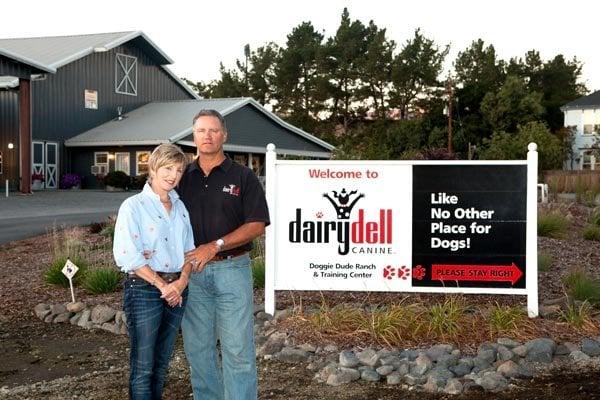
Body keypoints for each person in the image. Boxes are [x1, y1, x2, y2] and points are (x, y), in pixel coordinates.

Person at [178, 109, 270, 400]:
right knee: (198, 350)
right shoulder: (181, 178)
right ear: (193, 136)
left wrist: (215, 244)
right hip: (192, 273)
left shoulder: (243, 177)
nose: (207, 136)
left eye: (213, 130)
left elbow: (257, 225)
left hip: (232, 271)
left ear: (224, 135)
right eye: (201, 130)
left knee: (237, 350)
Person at [113, 143, 195, 400]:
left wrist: (181, 282)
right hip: (145, 290)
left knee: (161, 366)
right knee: (143, 367)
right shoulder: (133, 206)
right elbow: (128, 254)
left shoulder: (180, 207)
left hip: (177, 292)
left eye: (179, 170)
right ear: (153, 167)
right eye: (168, 168)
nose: (173, 175)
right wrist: (163, 286)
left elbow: (189, 252)